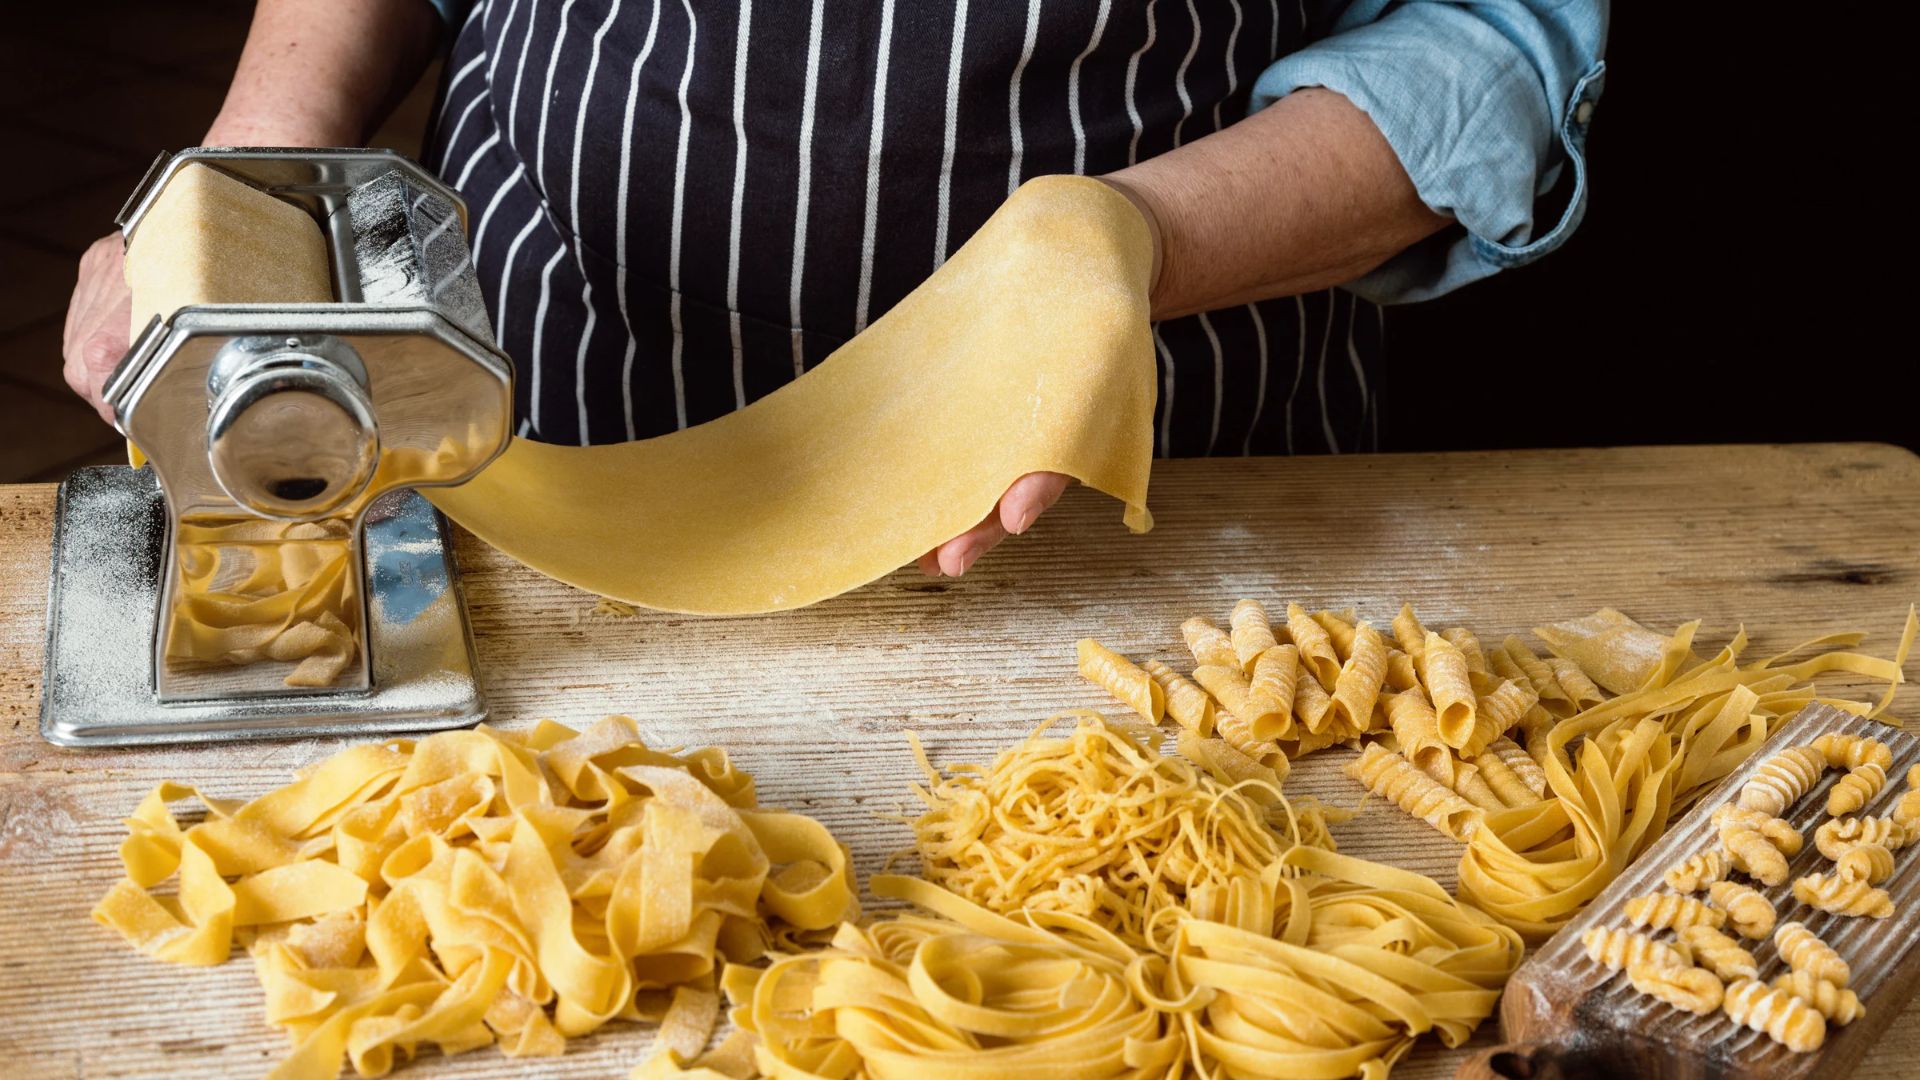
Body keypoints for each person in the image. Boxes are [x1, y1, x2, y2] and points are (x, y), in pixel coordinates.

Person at [62, 0, 1606, 576]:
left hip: (1141, 482)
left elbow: (1497, 38)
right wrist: (253, 188)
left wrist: (1127, 243)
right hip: (535, 412)